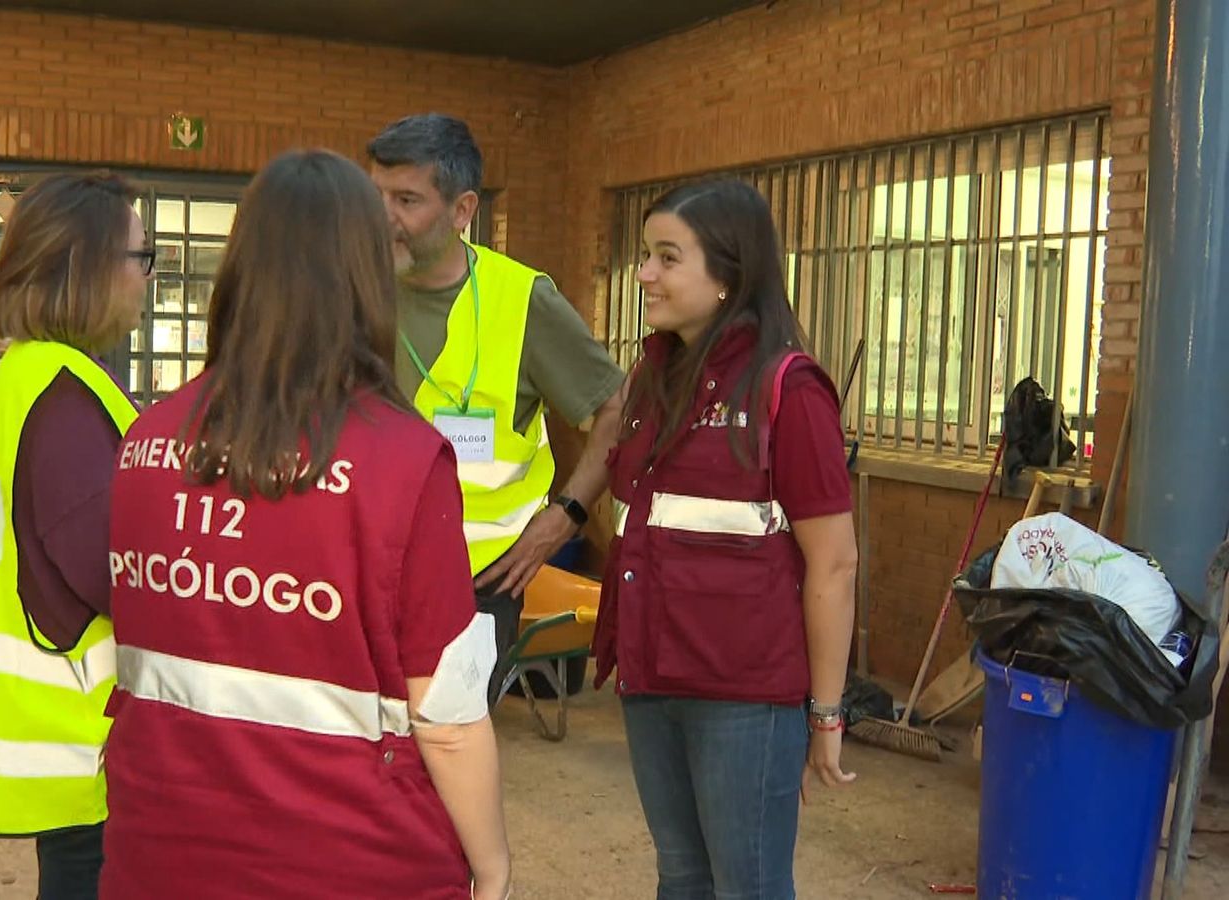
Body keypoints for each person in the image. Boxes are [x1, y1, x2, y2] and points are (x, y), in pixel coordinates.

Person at [101, 150, 511, 900]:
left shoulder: (147, 440)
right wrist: (493, 867)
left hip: (158, 850)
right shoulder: (403, 459)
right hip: (353, 859)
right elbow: (447, 719)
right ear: (362, 272)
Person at [591, 179, 859, 899]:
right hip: (651, 678)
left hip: (744, 697)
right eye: (646, 254)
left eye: (667, 257)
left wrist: (826, 713)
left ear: (727, 277)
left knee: (748, 885)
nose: (645, 273)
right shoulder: (653, 377)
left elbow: (832, 564)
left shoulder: (788, 391)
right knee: (681, 878)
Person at [367, 113, 626, 706]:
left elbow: (615, 409)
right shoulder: (351, 289)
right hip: (358, 570)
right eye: (374, 195)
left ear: (462, 211)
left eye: (405, 199)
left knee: (443, 755)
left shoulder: (522, 300)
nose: (382, 216)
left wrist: (564, 517)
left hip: (476, 583)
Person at [0, 172, 151, 900]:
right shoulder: (66, 398)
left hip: (52, 725)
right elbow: (118, 572)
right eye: (141, 258)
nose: (148, 279)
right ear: (89, 270)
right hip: (83, 735)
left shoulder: (29, 374)